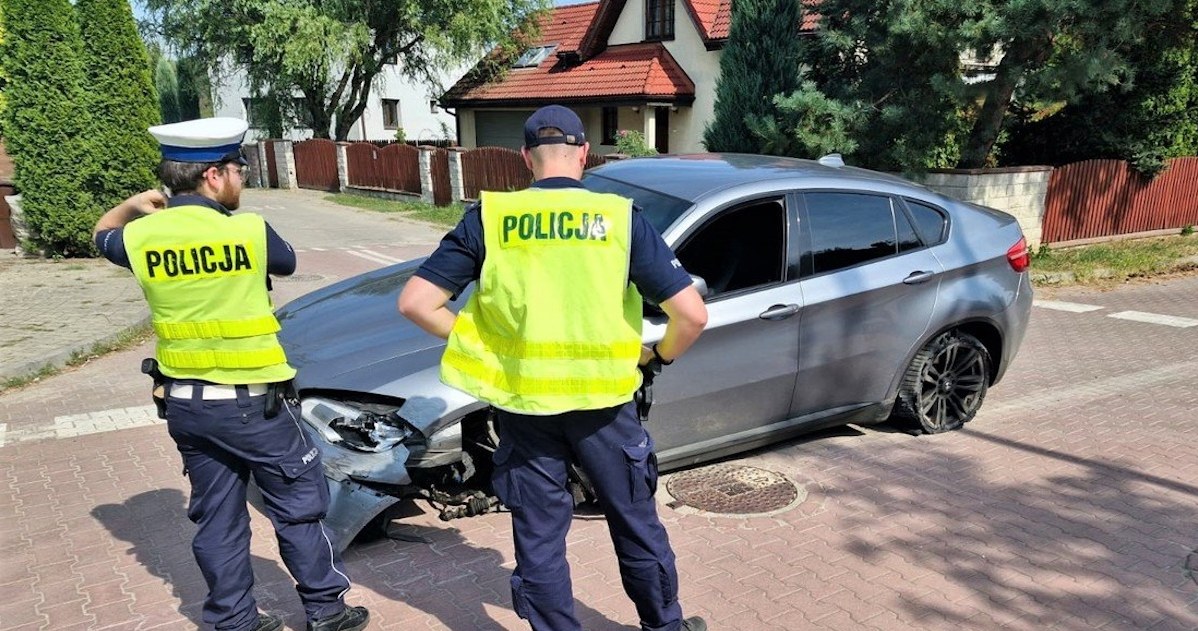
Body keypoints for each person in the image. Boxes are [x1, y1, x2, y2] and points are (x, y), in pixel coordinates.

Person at [398, 105, 709, 631]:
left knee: (540, 538)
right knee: (635, 524)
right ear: (584, 153)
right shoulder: (618, 216)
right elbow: (691, 315)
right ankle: (664, 625)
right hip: (606, 410)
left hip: (525, 410)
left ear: (526, 158)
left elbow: (416, 303)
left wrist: (485, 345)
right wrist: (659, 355)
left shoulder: (490, 217)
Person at [93, 117, 370, 631]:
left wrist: (136, 205)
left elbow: (101, 235)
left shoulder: (142, 237)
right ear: (215, 176)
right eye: (238, 169)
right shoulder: (247, 229)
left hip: (188, 407)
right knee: (298, 509)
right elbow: (285, 263)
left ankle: (235, 621)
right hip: (256, 406)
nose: (242, 179)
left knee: (217, 519)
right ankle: (327, 612)